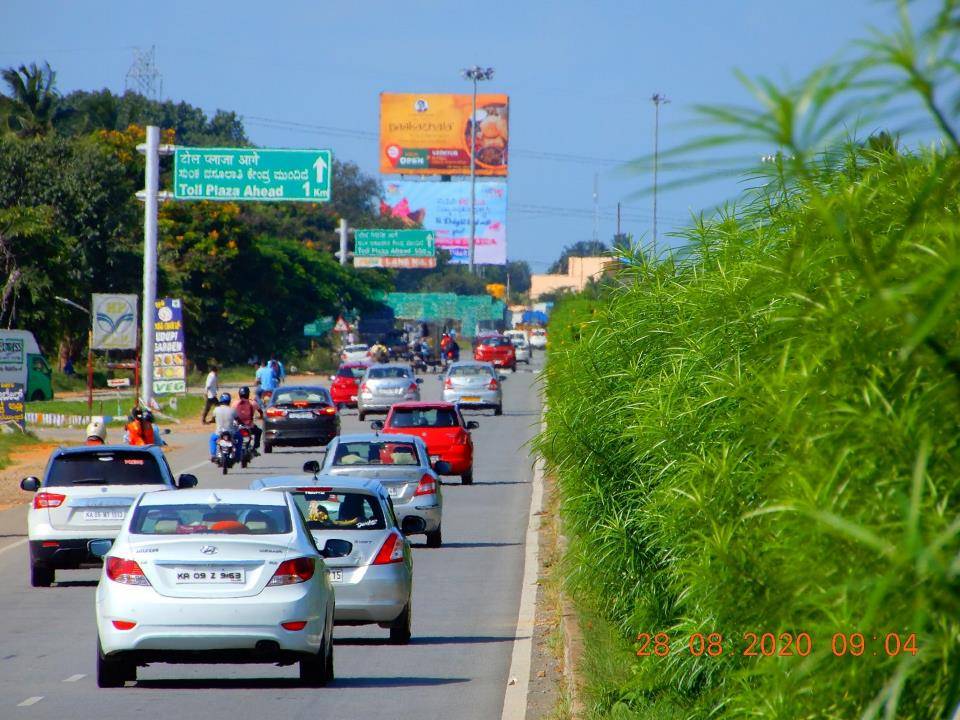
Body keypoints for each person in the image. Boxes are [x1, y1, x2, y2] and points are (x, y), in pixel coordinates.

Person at [209, 392, 241, 463]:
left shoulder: (216, 410)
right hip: (231, 432)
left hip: (219, 433)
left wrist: (212, 421)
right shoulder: (232, 410)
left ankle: (213, 455)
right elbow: (238, 419)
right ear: (229, 401)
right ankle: (238, 456)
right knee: (240, 438)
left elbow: (213, 419)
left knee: (212, 439)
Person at [233, 386, 263, 453]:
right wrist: (261, 417)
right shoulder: (253, 403)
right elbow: (261, 412)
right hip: (250, 427)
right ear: (248, 394)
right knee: (259, 431)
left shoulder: (235, 403)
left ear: (239, 394)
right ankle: (255, 447)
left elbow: (231, 413)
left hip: (238, 427)